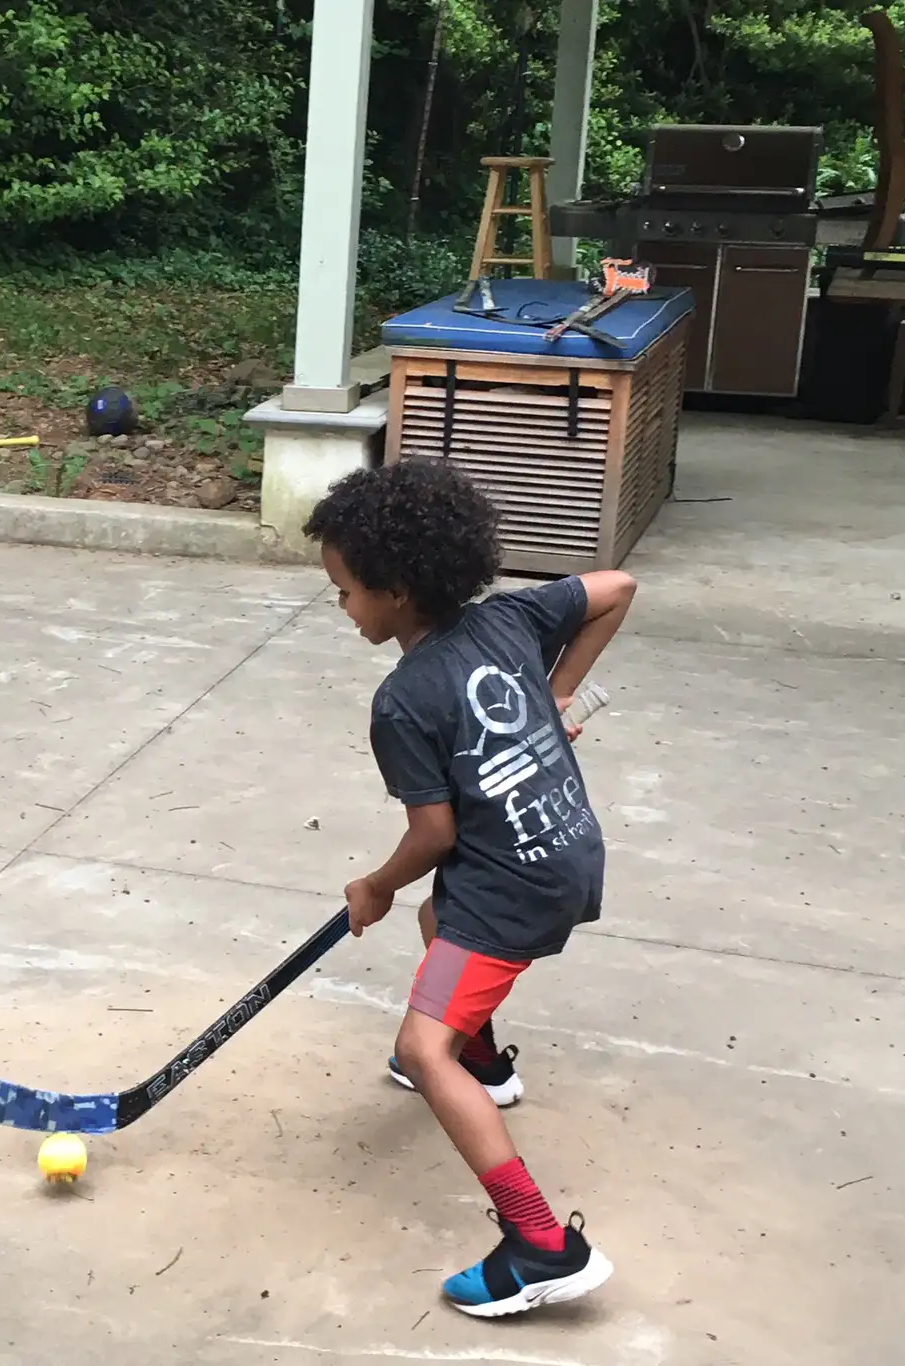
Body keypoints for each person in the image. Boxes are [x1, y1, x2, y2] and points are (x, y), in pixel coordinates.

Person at [302, 458, 635, 1317]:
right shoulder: (514, 617)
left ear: (399, 590)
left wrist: (372, 886)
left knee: (421, 1047)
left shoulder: (404, 700)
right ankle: (481, 1062)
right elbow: (617, 586)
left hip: (508, 885)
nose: (339, 604)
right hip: (565, 847)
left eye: (344, 590)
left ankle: (539, 1244)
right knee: (437, 915)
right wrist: (556, 692)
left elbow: (435, 834)